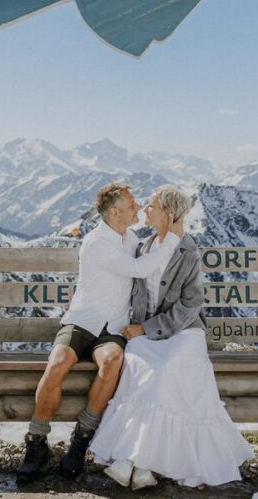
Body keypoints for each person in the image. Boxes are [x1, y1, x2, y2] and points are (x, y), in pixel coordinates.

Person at [89, 185, 255, 489]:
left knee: (166, 370)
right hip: (147, 333)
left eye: (151, 206)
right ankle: (140, 464)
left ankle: (136, 459)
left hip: (183, 332)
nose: (144, 211)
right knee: (138, 362)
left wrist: (147, 329)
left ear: (167, 214)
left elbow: (191, 306)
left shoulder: (187, 251)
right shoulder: (144, 246)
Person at [16, 181, 182, 483]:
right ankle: (36, 442)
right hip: (82, 321)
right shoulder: (96, 242)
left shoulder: (130, 238)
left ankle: (81, 439)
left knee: (112, 361)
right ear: (115, 211)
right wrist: (172, 237)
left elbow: (150, 262)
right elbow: (141, 270)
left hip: (113, 326)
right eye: (132, 204)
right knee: (57, 364)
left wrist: (170, 230)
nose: (137, 207)